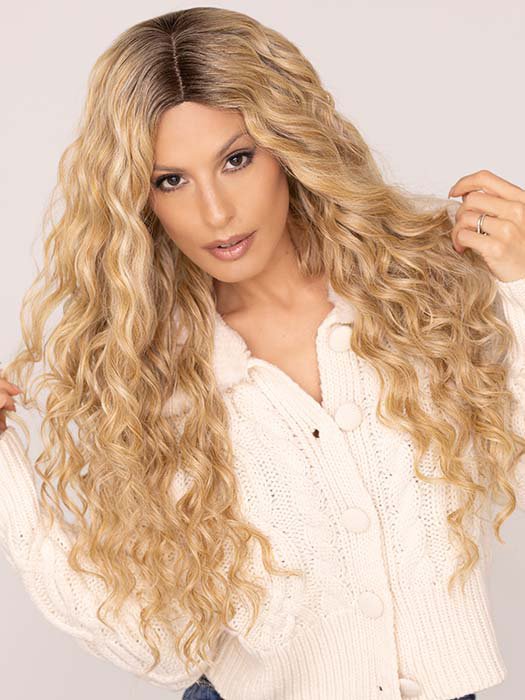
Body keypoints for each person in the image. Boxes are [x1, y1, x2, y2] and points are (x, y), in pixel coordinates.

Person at [1, 7, 524, 700]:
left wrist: (521, 285)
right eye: (171, 180)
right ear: (138, 198)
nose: (215, 213)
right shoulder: (145, 376)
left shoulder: (421, 287)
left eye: (236, 160)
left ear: (289, 147)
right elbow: (155, 646)